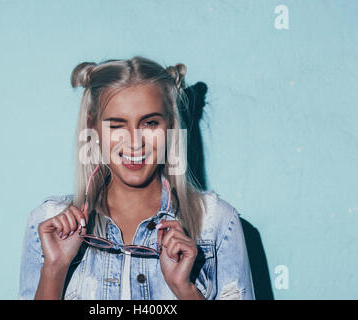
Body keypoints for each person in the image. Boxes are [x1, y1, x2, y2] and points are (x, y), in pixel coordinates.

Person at [18, 56, 255, 300]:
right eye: (117, 125)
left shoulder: (216, 223)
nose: (134, 143)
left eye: (150, 123)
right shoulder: (48, 225)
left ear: (171, 126)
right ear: (93, 128)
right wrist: (54, 269)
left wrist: (185, 289)